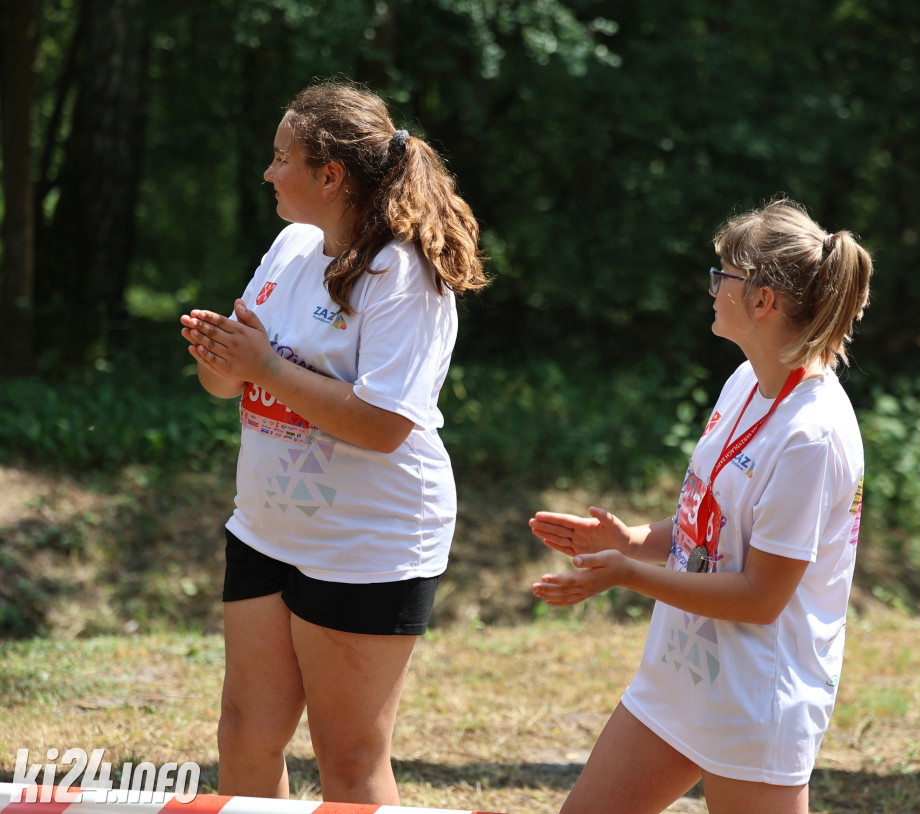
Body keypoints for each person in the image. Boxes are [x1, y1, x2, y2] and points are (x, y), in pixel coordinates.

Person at [179, 79, 488, 805]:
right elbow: (233, 386)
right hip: (264, 529)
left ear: (330, 175)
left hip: (368, 542)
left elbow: (384, 426)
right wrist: (221, 361)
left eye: (281, 156)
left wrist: (264, 367)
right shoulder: (292, 244)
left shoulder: (403, 274)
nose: (267, 171)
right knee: (245, 734)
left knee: (347, 761)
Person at [530, 197, 873, 814]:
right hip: (681, 677)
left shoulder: (812, 436)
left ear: (764, 300)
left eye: (724, 276)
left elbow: (760, 598)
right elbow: (712, 525)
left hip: (755, 698)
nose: (712, 288)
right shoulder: (746, 381)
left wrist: (633, 577)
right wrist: (631, 541)